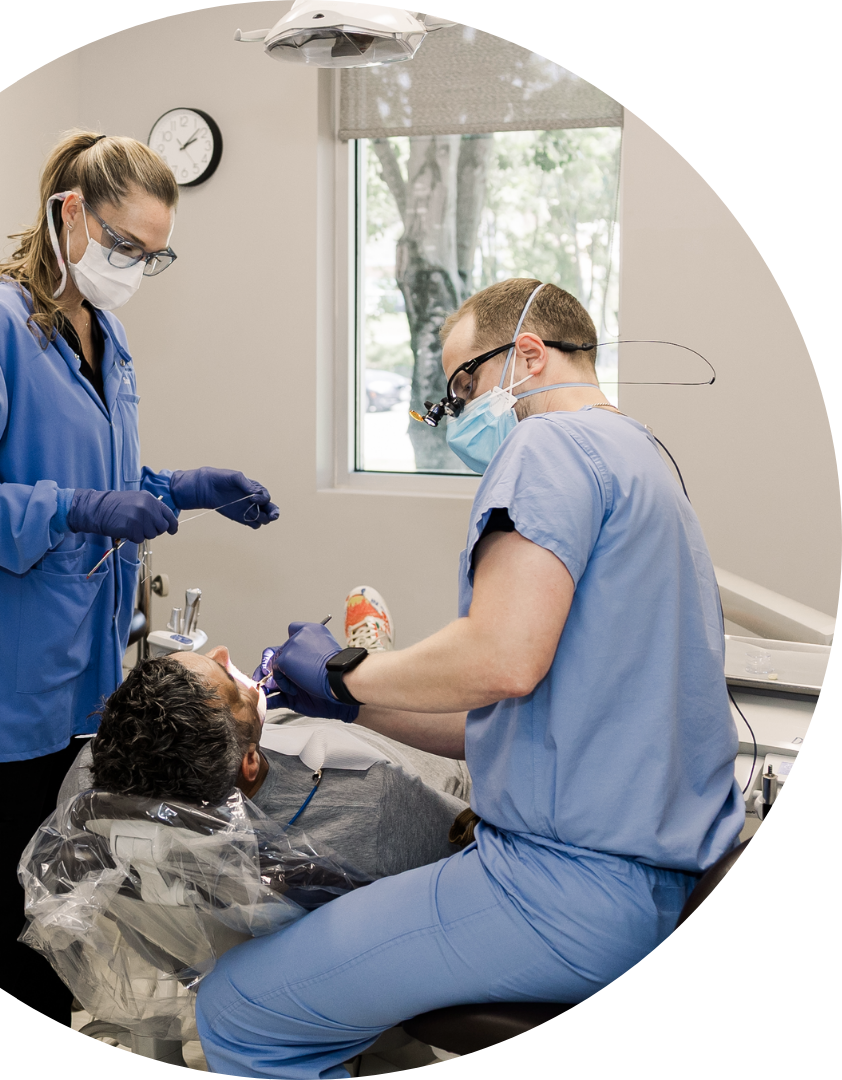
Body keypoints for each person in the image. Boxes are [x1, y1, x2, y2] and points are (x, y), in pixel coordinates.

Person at [193, 279, 746, 1078]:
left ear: (527, 355)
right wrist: (356, 707)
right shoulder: (642, 458)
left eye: (463, 384)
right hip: (649, 880)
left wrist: (349, 670)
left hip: (560, 888)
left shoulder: (548, 444)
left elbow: (501, 658)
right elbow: (517, 709)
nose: (456, 411)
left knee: (238, 1007)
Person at [0, 130, 277, 1026]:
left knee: (59, 910)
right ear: (68, 212)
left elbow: (106, 491)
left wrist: (185, 489)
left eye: (152, 256)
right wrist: (78, 510)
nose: (133, 267)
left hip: (83, 676)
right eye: (123, 246)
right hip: (0, 688)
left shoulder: (104, 336)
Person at [57, 639, 471, 880]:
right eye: (232, 689)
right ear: (249, 763)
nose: (222, 652)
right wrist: (352, 692)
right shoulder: (373, 803)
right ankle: (376, 649)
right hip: (432, 761)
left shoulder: (88, 788)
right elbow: (469, 843)